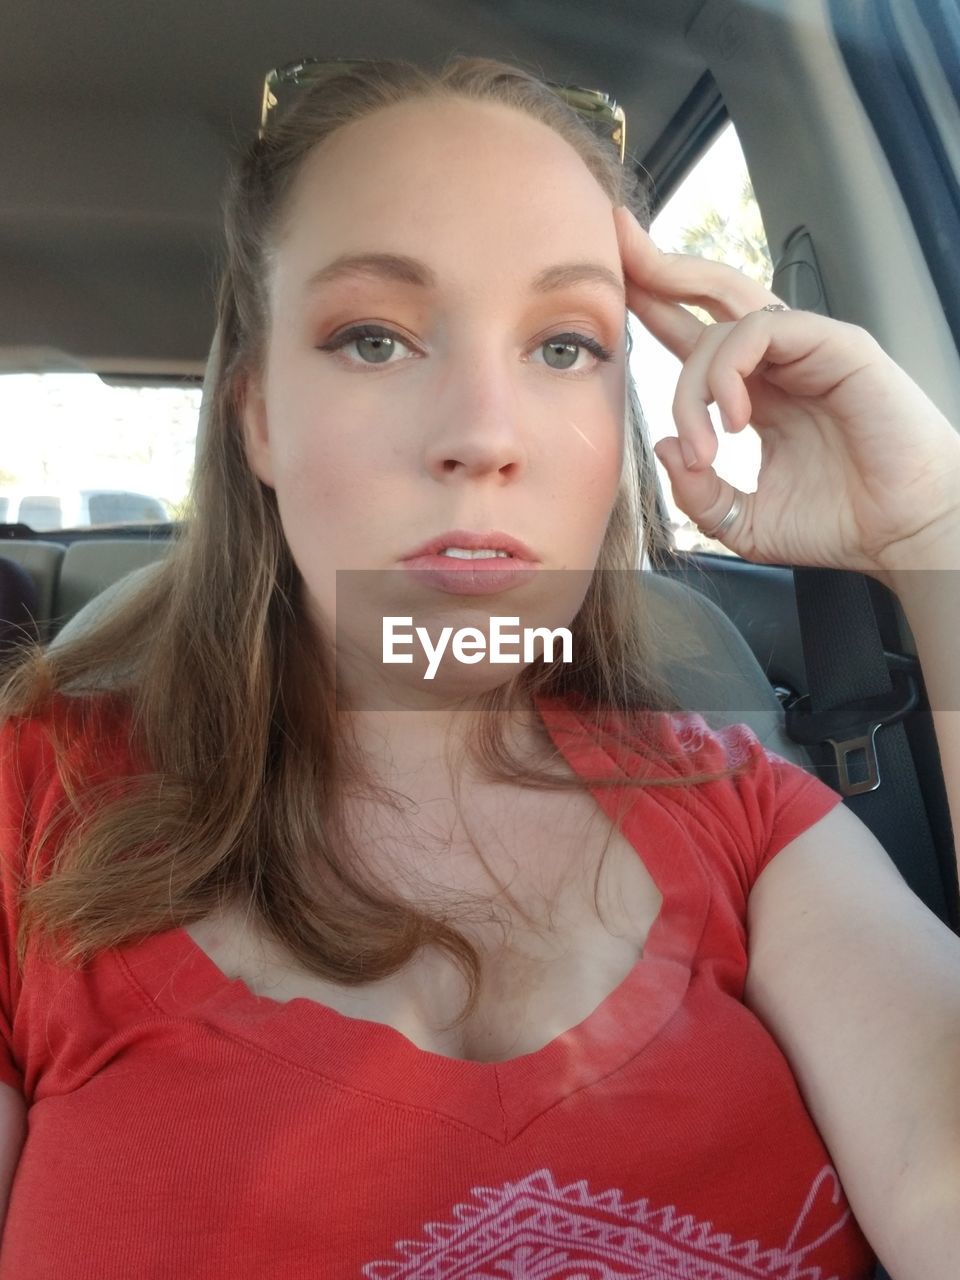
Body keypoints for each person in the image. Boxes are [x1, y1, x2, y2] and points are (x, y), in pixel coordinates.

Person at [0, 53, 958, 1279]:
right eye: (374, 338)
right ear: (254, 417)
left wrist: (937, 532)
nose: (483, 435)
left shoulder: (753, 823)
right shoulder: (38, 818)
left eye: (565, 346)